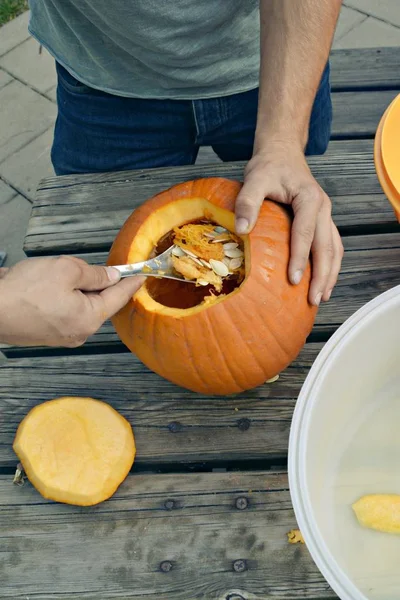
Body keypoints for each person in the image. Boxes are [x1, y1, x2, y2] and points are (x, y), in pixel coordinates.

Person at [0, 0, 344, 348]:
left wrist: (283, 141)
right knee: (98, 246)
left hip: (275, 60)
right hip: (102, 71)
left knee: (289, 232)